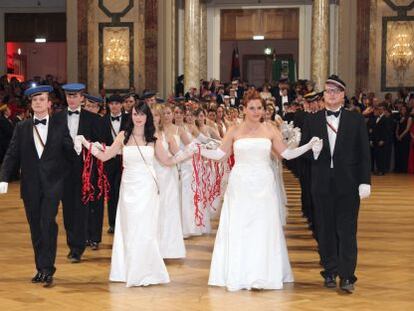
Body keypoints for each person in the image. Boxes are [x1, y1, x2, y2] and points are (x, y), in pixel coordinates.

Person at [198, 89, 320, 291]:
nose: (256, 112)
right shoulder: (234, 130)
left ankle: (264, 272)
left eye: (259, 108)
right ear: (244, 109)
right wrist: (199, 150)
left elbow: (286, 154)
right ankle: (238, 272)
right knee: (241, 225)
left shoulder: (271, 129)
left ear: (264, 110)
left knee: (263, 225)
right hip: (240, 184)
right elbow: (220, 154)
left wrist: (308, 146)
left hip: (264, 184)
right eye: (252, 108)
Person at [78, 101, 194, 287]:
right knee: (129, 227)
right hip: (128, 189)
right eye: (134, 114)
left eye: (141, 114)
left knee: (146, 229)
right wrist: (86, 143)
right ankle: (127, 269)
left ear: (147, 117)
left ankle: (146, 269)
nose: (138, 118)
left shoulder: (152, 137)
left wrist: (188, 153)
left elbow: (167, 161)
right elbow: (106, 155)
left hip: (147, 189)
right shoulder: (123, 136)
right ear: (130, 116)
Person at [0, 85, 79, 287]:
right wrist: (3, 178)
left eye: (42, 99)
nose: (38, 103)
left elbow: (68, 153)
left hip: (53, 185)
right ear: (31, 103)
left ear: (49, 103)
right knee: (36, 227)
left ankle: (47, 268)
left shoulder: (59, 126)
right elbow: (11, 154)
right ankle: (40, 268)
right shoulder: (22, 127)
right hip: (30, 187)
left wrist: (76, 149)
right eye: (35, 100)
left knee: (47, 223)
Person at [300, 75, 371, 293]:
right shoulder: (311, 120)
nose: (331, 95)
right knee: (325, 229)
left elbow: (364, 153)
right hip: (321, 183)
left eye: (336, 91)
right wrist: (313, 153)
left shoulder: (356, 120)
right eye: (328, 91)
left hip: (348, 184)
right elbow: (302, 153)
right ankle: (330, 271)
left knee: (347, 230)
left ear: (343, 95)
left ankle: (347, 276)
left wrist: (364, 181)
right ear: (323, 95)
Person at [56, 83, 103, 263]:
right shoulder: (57, 118)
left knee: (82, 210)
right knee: (68, 211)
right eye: (69, 96)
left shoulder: (93, 119)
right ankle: (72, 244)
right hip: (64, 172)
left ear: (82, 97)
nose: (72, 99)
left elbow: (100, 143)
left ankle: (78, 248)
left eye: (75, 96)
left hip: (86, 171)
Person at [103, 94, 129, 234]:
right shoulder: (103, 120)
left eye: (117, 103)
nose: (114, 106)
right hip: (109, 161)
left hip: (125, 160)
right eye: (111, 103)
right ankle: (112, 223)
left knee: (123, 191)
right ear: (108, 105)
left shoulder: (129, 119)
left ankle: (124, 222)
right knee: (111, 193)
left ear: (122, 105)